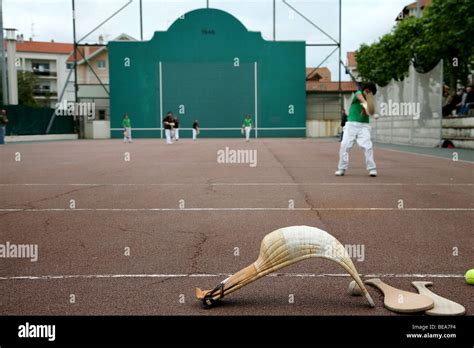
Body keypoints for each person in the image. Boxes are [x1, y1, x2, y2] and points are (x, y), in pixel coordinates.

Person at [335, 81, 378, 177]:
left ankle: (372, 169)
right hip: (351, 125)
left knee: (367, 146)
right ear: (364, 89)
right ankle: (341, 168)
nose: (368, 93)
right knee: (345, 145)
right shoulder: (358, 94)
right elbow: (363, 101)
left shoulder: (370, 98)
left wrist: (371, 111)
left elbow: (370, 109)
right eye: (367, 91)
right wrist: (369, 109)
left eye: (370, 92)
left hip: (364, 126)